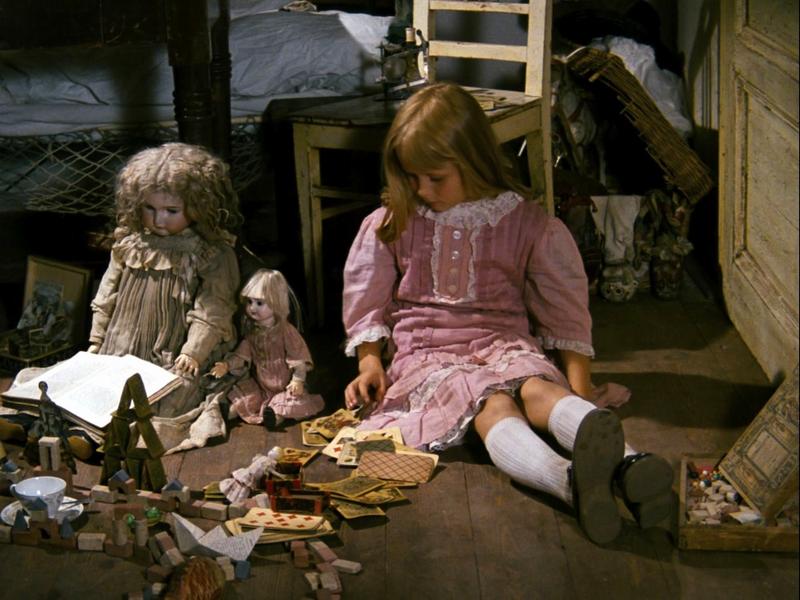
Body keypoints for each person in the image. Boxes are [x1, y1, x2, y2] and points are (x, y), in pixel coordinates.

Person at [341, 82, 673, 545]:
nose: (421, 189)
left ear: (473, 161)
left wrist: (581, 392)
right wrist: (370, 362)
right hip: (430, 354)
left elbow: (565, 313)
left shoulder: (525, 222)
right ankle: (568, 481)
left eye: (435, 178)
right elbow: (368, 297)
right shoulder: (395, 218)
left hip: (504, 342)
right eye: (412, 177)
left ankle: (629, 465)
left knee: (537, 388)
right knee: (492, 406)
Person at [1, 142, 242, 458]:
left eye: (171, 211)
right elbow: (107, 294)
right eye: (149, 209)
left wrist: (193, 352)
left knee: (164, 397)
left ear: (197, 207)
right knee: (84, 382)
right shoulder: (130, 244)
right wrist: (97, 339)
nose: (159, 220)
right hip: (121, 344)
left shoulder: (209, 253)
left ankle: (91, 436)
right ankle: (33, 422)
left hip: (172, 351)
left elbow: (213, 308)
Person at [209, 268, 323, 429]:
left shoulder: (286, 331)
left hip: (286, 386)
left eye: (259, 303)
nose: (252, 308)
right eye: (249, 302)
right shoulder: (253, 333)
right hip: (262, 385)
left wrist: (298, 380)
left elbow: (298, 358)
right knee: (249, 395)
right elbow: (242, 355)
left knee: (289, 401)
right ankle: (231, 411)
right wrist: (226, 365)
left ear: (276, 303)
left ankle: (275, 417)